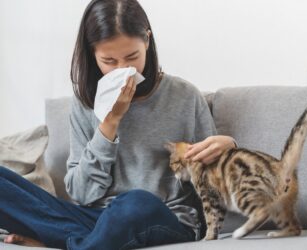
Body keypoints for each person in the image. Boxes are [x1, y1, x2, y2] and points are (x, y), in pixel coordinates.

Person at [0, 0, 237, 249]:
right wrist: (109, 123)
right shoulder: (85, 104)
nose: (122, 69)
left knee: (135, 202)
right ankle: (83, 241)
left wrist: (229, 147)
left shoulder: (185, 96)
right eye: (109, 61)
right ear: (93, 54)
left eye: (132, 57)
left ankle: (69, 241)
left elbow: (214, 187)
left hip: (163, 217)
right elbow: (81, 194)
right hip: (96, 219)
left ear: (147, 40)